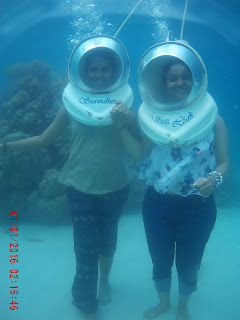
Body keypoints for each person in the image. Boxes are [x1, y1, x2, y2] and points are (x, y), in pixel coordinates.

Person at [0, 38, 138, 320]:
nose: (99, 74)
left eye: (105, 69)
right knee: (85, 246)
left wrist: (126, 120)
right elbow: (44, 139)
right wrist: (5, 146)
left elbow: (141, 143)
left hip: (116, 184)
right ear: (84, 72)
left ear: (115, 72)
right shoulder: (72, 105)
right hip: (79, 185)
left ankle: (104, 281)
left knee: (107, 241)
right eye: (94, 69)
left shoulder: (125, 105)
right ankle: (85, 302)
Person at [113, 45, 230, 320]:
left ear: (196, 80)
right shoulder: (154, 120)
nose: (180, 82)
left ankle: (183, 306)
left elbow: (225, 163)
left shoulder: (215, 121)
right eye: (173, 77)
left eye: (185, 76)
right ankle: (164, 303)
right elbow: (140, 153)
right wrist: (120, 127)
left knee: (190, 262)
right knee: (160, 258)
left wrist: (214, 179)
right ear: (164, 82)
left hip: (199, 206)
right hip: (157, 203)